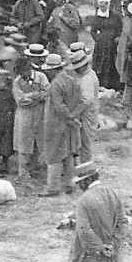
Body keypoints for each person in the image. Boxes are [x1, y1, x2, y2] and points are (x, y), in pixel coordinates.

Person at [67, 162, 129, 262]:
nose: (79, 186)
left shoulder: (83, 201)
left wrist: (99, 248)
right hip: (110, 250)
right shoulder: (113, 194)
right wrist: (112, 245)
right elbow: (123, 223)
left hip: (88, 252)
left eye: (80, 183)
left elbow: (84, 231)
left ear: (86, 181)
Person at [41, 49, 85, 197]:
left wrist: (69, 118)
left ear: (53, 70)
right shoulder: (72, 80)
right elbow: (81, 102)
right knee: (68, 155)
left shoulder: (56, 84)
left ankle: (53, 188)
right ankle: (70, 184)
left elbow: (59, 107)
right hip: (69, 125)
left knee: (53, 156)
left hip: (56, 124)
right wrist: (74, 119)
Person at [12, 56, 49, 182]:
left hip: (40, 114)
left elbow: (48, 93)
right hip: (25, 116)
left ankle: (35, 167)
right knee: (23, 143)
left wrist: (32, 97)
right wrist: (37, 96)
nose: (23, 74)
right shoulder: (17, 82)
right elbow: (21, 101)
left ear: (29, 68)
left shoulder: (41, 77)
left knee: (38, 141)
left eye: (24, 71)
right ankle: (23, 171)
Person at [74, 48, 100, 166]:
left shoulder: (86, 79)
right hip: (89, 112)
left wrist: (73, 113)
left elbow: (86, 101)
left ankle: (86, 169)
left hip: (86, 114)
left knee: (85, 144)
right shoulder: (90, 73)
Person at [90, 0, 122, 90]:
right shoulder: (98, 16)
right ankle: (100, 83)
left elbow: (120, 28)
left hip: (112, 43)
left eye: (103, 6)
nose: (102, 8)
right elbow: (93, 30)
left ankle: (110, 83)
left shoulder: (115, 15)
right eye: (100, 6)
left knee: (110, 62)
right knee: (100, 63)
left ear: (107, 6)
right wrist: (97, 38)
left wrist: (118, 37)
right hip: (101, 44)